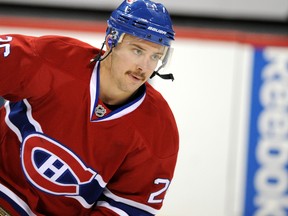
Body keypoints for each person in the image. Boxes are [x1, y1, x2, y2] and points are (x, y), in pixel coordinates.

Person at [0, 0, 179, 215]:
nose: (145, 66)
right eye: (138, 51)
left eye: (156, 56)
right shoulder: (54, 58)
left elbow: (128, 208)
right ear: (112, 39)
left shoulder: (159, 131)